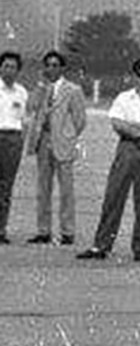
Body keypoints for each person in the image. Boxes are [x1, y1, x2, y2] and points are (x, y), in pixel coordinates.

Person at [77, 56, 140, 262]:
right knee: (114, 195)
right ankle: (102, 245)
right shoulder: (123, 98)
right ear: (134, 76)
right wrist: (138, 132)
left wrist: (131, 127)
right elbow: (117, 124)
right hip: (127, 147)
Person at [24, 50, 86, 246]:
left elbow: (80, 120)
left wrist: (67, 136)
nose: (51, 69)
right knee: (43, 188)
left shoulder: (73, 90)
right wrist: (40, 87)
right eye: (48, 65)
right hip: (43, 141)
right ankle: (43, 230)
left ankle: (68, 231)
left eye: (55, 65)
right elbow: (31, 107)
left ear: (62, 68)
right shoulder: (42, 88)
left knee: (66, 189)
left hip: (63, 143)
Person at [0, 51, 28, 245]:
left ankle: (1, 229)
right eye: (6, 66)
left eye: (13, 67)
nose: (9, 70)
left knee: (6, 186)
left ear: (18, 71)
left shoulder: (22, 92)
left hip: (13, 140)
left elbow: (23, 119)